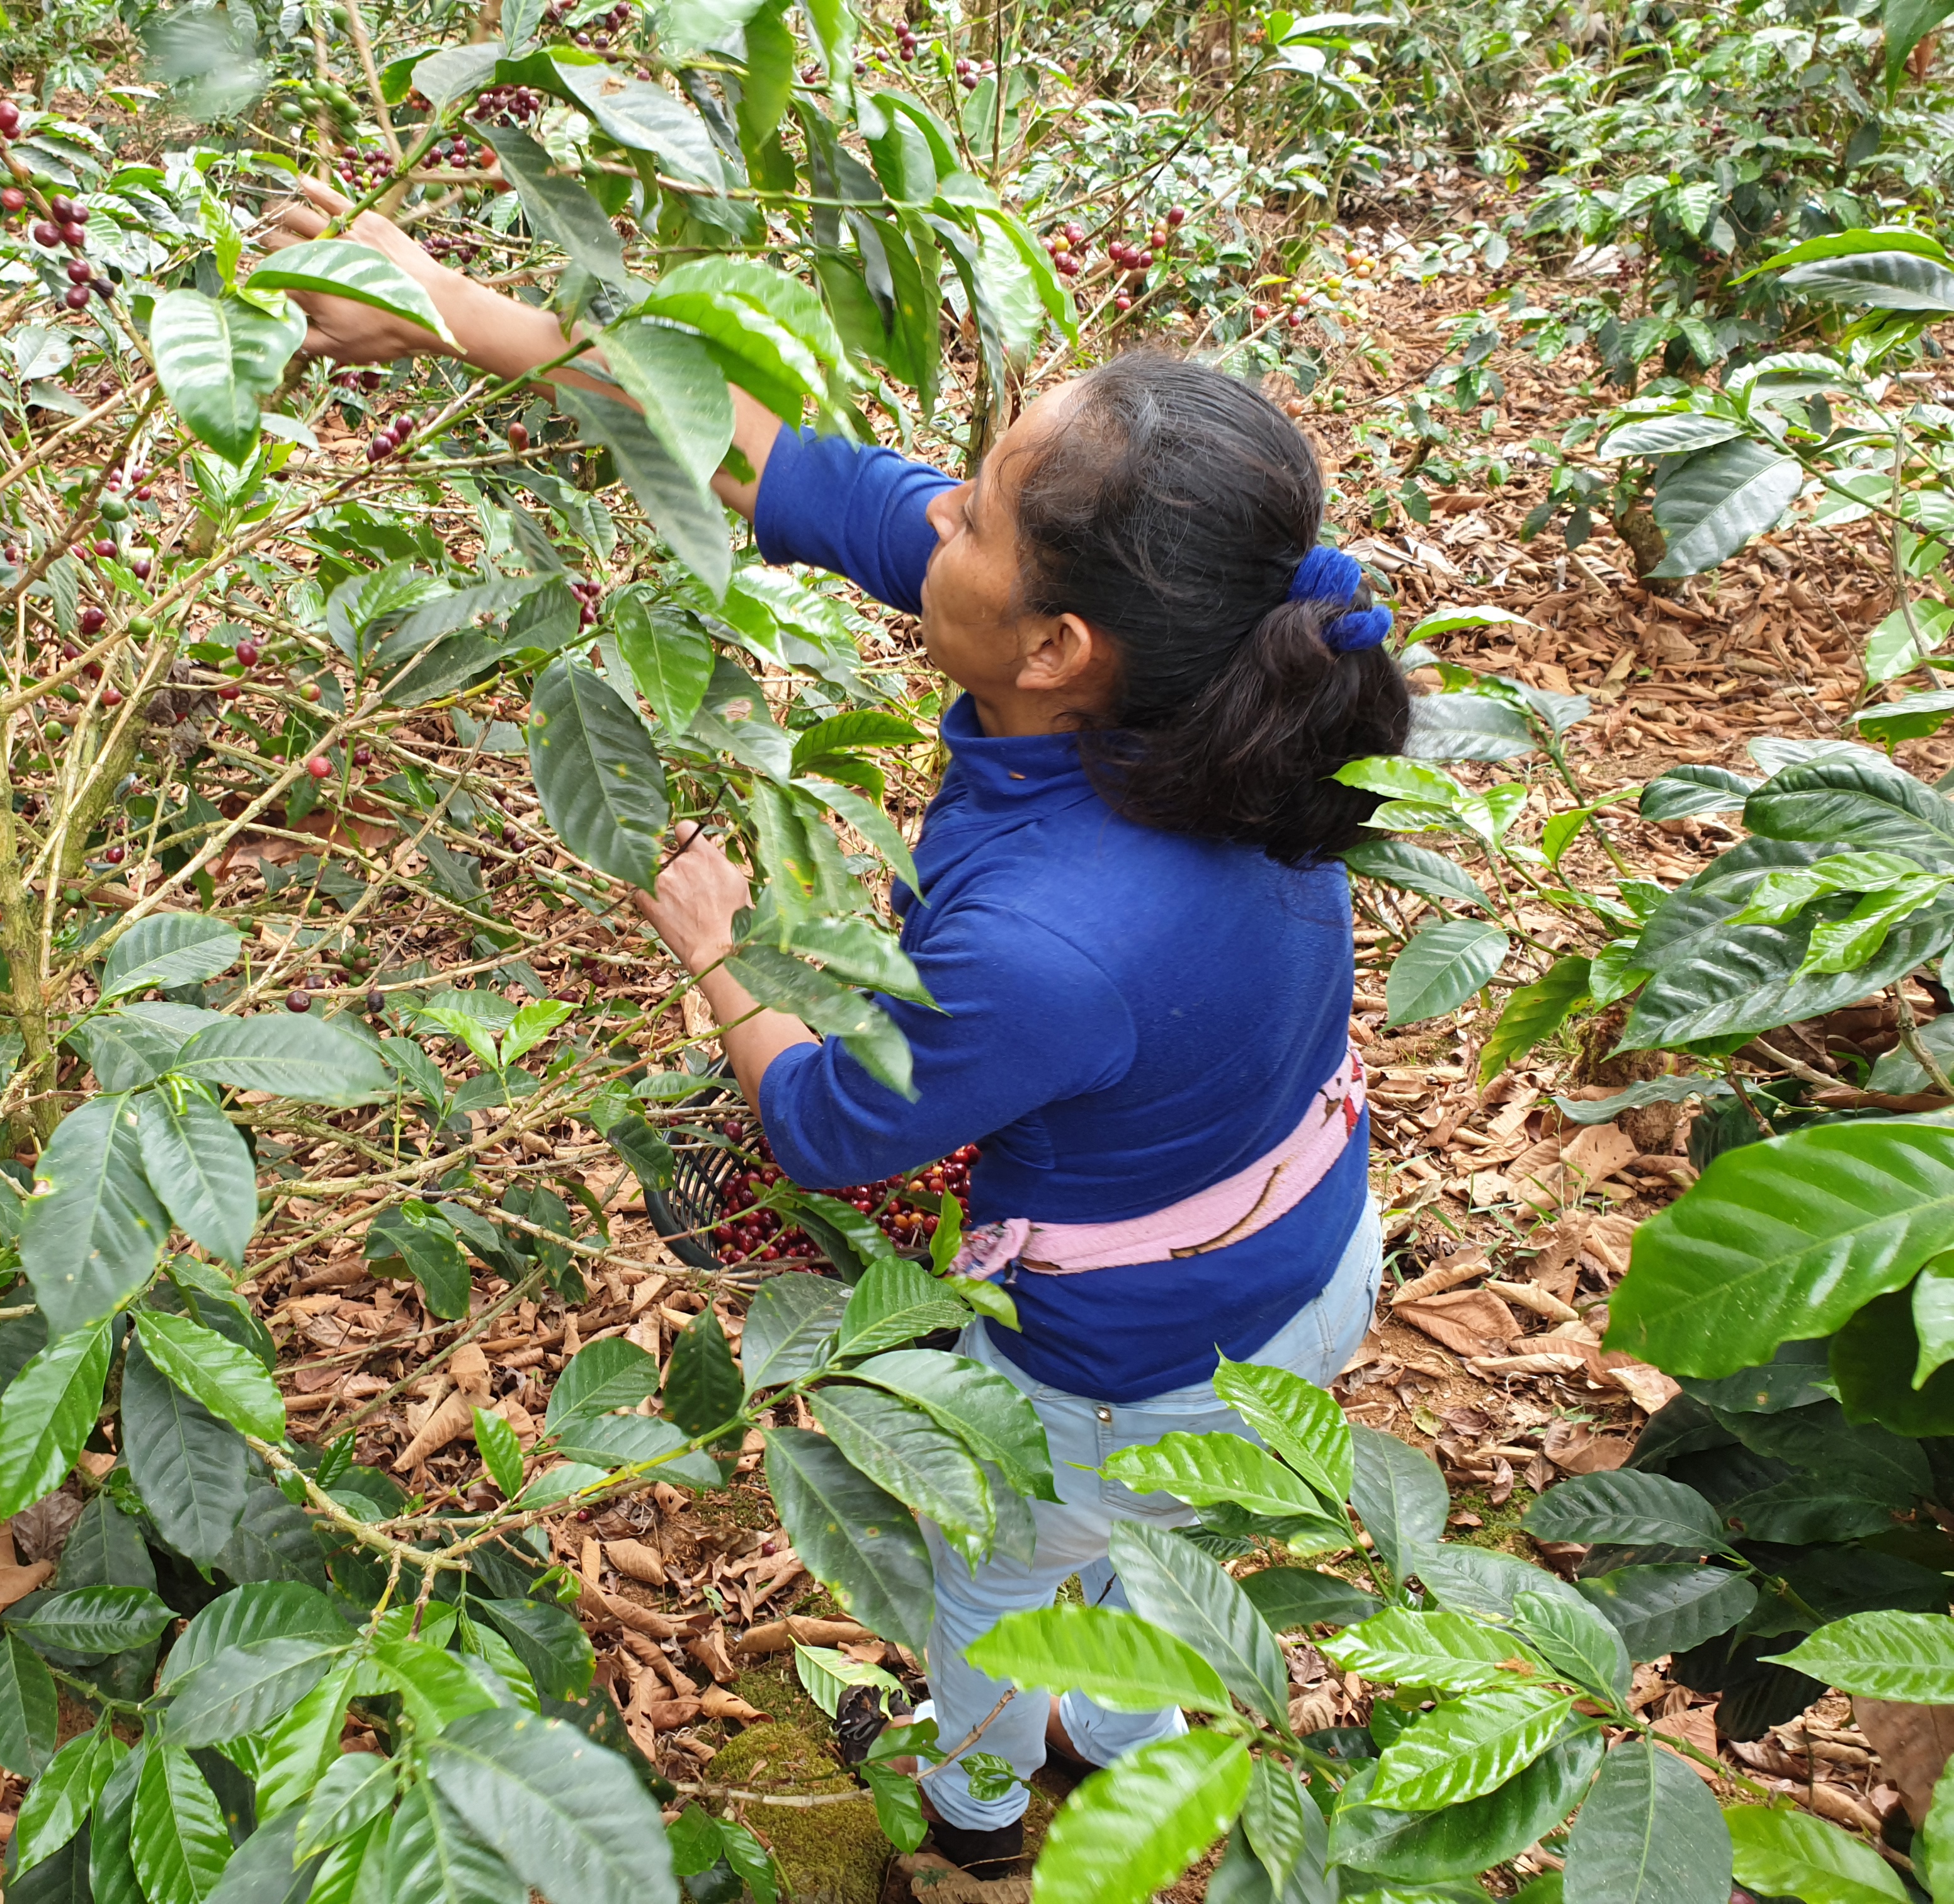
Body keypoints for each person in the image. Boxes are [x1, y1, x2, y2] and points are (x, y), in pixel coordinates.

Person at [273, 182, 1411, 1874]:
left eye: (977, 517)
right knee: (1142, 1563)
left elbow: (825, 1125)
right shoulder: (1227, 686)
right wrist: (454, 307)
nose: (936, 510)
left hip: (1130, 1371)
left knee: (1000, 1576)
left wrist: (722, 952)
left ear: (1056, 646)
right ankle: (1129, 1740)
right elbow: (792, 476)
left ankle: (970, 1822)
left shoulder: (1055, 940)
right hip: (1306, 1263)